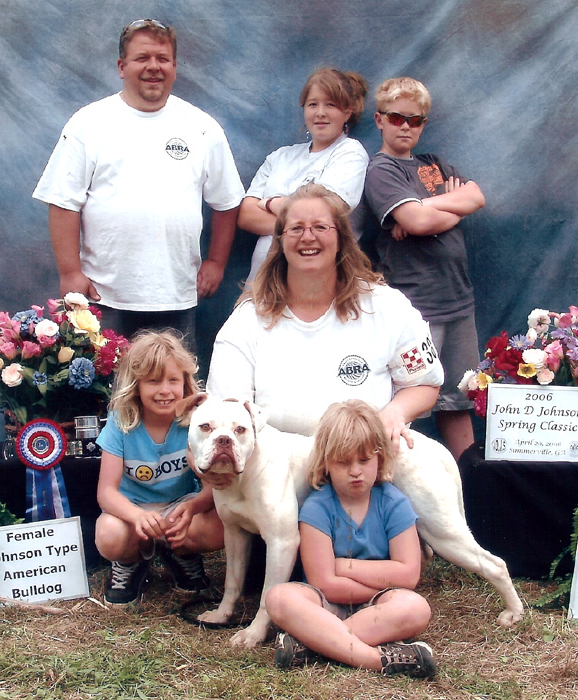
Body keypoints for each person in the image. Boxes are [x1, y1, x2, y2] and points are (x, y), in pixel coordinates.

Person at [33, 19, 244, 342]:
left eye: (162, 58)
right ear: (122, 66)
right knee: (102, 392)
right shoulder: (88, 123)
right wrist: (70, 272)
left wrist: (215, 262)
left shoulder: (202, 127)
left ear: (174, 66)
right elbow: (63, 201)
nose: (153, 67)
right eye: (142, 58)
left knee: (170, 391)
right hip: (101, 296)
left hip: (175, 294)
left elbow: (227, 202)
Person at [207, 182, 444, 444]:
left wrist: (394, 413)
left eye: (320, 227)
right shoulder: (246, 321)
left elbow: (424, 382)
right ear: (281, 241)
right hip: (276, 475)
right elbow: (224, 412)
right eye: (296, 228)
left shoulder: (388, 307)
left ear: (342, 239)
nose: (308, 237)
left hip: (366, 469)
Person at [265, 400, 436, 677]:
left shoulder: (394, 503)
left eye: (364, 460)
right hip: (323, 604)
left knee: (415, 607)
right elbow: (325, 584)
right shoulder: (317, 507)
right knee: (280, 598)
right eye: (343, 462)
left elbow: (408, 576)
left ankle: (312, 644)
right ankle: (376, 659)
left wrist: (345, 567)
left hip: (378, 603)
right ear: (326, 463)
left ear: (380, 458)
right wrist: (382, 578)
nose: (355, 471)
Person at [363, 77, 485, 460]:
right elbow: (415, 223)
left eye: (414, 121)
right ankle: (394, 492)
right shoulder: (380, 171)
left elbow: (476, 196)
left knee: (458, 398)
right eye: (397, 118)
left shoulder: (433, 165)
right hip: (416, 305)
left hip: (458, 300)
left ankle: (468, 484)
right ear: (379, 119)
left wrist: (427, 206)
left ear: (423, 124)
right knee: (407, 400)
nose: (405, 126)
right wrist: (445, 204)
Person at [94, 330, 224, 604]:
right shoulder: (121, 422)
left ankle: (181, 553)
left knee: (220, 525)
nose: (165, 390)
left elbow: (214, 487)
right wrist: (136, 516)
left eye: (173, 380)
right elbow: (106, 492)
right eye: (153, 382)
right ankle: (130, 561)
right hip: (134, 511)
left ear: (185, 382)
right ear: (136, 385)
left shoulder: (196, 422)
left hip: (180, 506)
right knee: (108, 533)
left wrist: (192, 508)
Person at [238, 68, 369, 283]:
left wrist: (269, 203)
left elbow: (327, 210)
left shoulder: (350, 153)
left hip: (318, 286)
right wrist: (303, 222)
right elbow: (246, 216)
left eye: (331, 105)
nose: (320, 113)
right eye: (313, 104)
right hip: (261, 285)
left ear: (347, 112)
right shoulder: (280, 156)